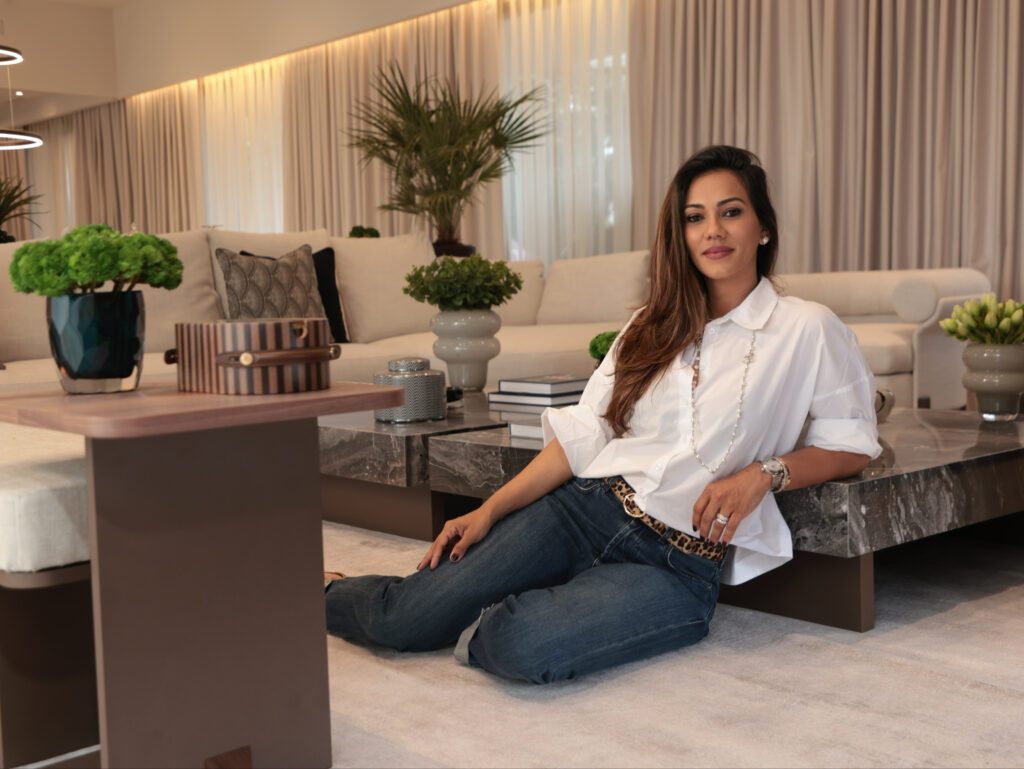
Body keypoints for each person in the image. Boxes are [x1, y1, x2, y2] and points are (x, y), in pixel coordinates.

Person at [324, 145, 881, 684]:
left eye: (730, 212)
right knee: (405, 619)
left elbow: (852, 441)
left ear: (762, 228)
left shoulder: (807, 327)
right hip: (585, 509)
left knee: (519, 645)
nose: (713, 230)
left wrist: (765, 474)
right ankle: (328, 594)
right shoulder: (649, 325)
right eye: (695, 218)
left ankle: (497, 609)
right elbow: (588, 433)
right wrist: (489, 512)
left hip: (675, 564)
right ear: (681, 236)